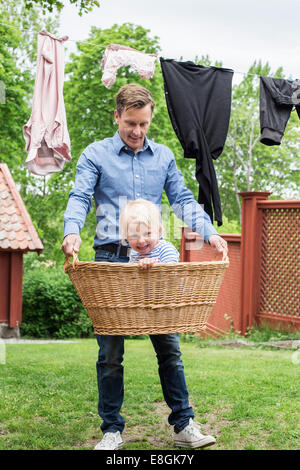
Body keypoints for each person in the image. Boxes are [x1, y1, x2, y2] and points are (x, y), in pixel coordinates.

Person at [61, 83, 228, 450]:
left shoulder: (164, 157)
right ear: (117, 116)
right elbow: (80, 196)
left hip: (155, 262)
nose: (137, 132)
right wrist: (71, 232)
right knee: (110, 353)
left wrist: (209, 234)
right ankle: (111, 431)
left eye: (144, 124)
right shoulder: (95, 155)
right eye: (131, 123)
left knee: (169, 347)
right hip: (111, 259)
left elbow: (183, 199)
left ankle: (184, 425)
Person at [119, 198, 179, 268]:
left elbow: (171, 272)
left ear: (158, 231)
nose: (141, 241)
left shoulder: (165, 249)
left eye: (147, 234)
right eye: (134, 236)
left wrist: (154, 265)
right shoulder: (134, 253)